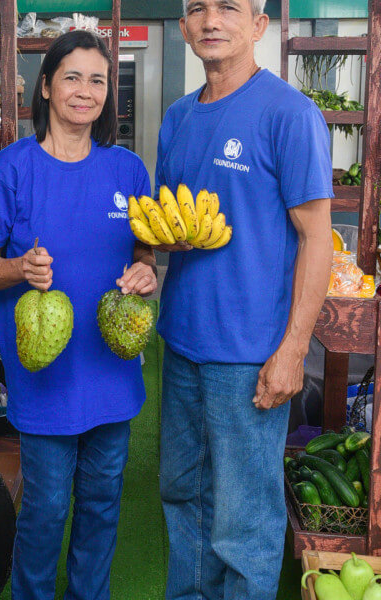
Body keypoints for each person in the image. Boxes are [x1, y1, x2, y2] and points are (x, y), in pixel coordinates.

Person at [0, 30, 157, 600]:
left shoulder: (128, 171)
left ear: (108, 94)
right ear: (47, 86)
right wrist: (20, 267)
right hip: (45, 377)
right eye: (72, 77)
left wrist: (147, 271)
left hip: (113, 376)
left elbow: (143, 251)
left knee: (101, 508)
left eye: (97, 80)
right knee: (46, 511)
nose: (85, 90)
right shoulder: (9, 170)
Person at [156, 1, 333, 598]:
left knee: (245, 520)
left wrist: (293, 351)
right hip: (180, 346)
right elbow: (164, 227)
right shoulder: (177, 117)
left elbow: (315, 239)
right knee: (183, 497)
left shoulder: (290, 114)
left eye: (228, 6)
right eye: (197, 9)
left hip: (250, 354)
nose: (211, 19)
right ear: (183, 28)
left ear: (258, 25)